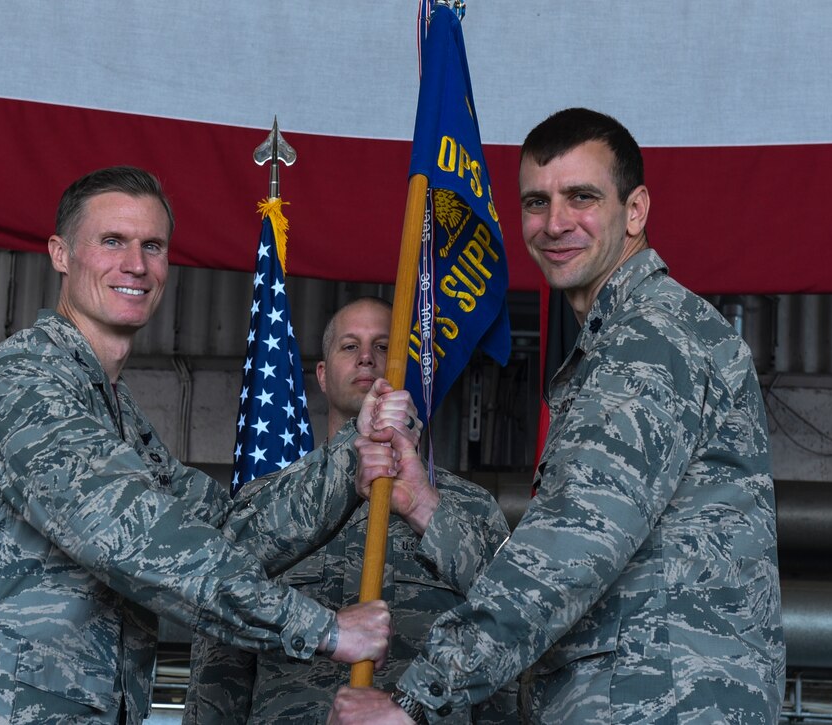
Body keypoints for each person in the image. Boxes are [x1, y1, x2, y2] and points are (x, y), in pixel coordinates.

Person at [0, 166, 397, 724]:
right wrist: (323, 628)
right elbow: (135, 536)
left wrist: (351, 455)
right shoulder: (21, 381)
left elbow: (228, 528)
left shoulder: (116, 414)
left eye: (152, 246)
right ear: (60, 254)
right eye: (112, 241)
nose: (136, 265)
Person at [330, 108, 785, 723]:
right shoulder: (625, 338)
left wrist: (414, 701)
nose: (555, 223)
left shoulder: (650, 338)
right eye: (536, 203)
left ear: (636, 210)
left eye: (582, 197)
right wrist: (422, 506)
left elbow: (570, 551)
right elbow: (580, 561)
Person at [183, 297, 518, 724]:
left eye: (383, 346)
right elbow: (219, 644)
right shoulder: (267, 507)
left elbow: (511, 631)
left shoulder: (467, 506)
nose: (366, 358)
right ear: (321, 375)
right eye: (349, 346)